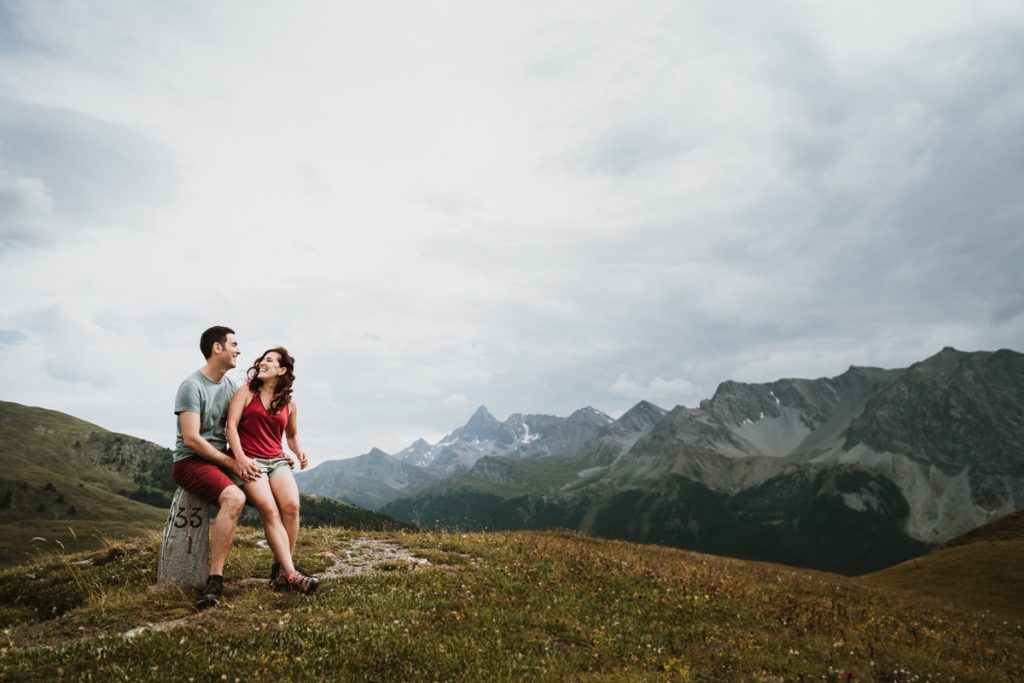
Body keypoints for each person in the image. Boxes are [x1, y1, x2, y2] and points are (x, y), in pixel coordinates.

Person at [171, 325, 260, 609]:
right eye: (234, 344)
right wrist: (232, 462)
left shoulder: (231, 386)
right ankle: (214, 580)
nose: (239, 350)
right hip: (191, 461)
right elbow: (191, 439)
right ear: (217, 348)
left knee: (271, 493)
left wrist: (276, 456)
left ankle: (284, 571)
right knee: (234, 498)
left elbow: (245, 427)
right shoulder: (191, 386)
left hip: (222, 458)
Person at [225, 346, 318, 593]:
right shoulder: (246, 392)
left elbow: (292, 435)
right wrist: (241, 459)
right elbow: (231, 427)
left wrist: (299, 451)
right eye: (262, 360)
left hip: (277, 461)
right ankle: (291, 574)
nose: (262, 363)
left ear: (282, 370)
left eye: (269, 360)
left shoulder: (289, 402)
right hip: (250, 461)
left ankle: (282, 571)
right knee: (270, 510)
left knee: (292, 507)